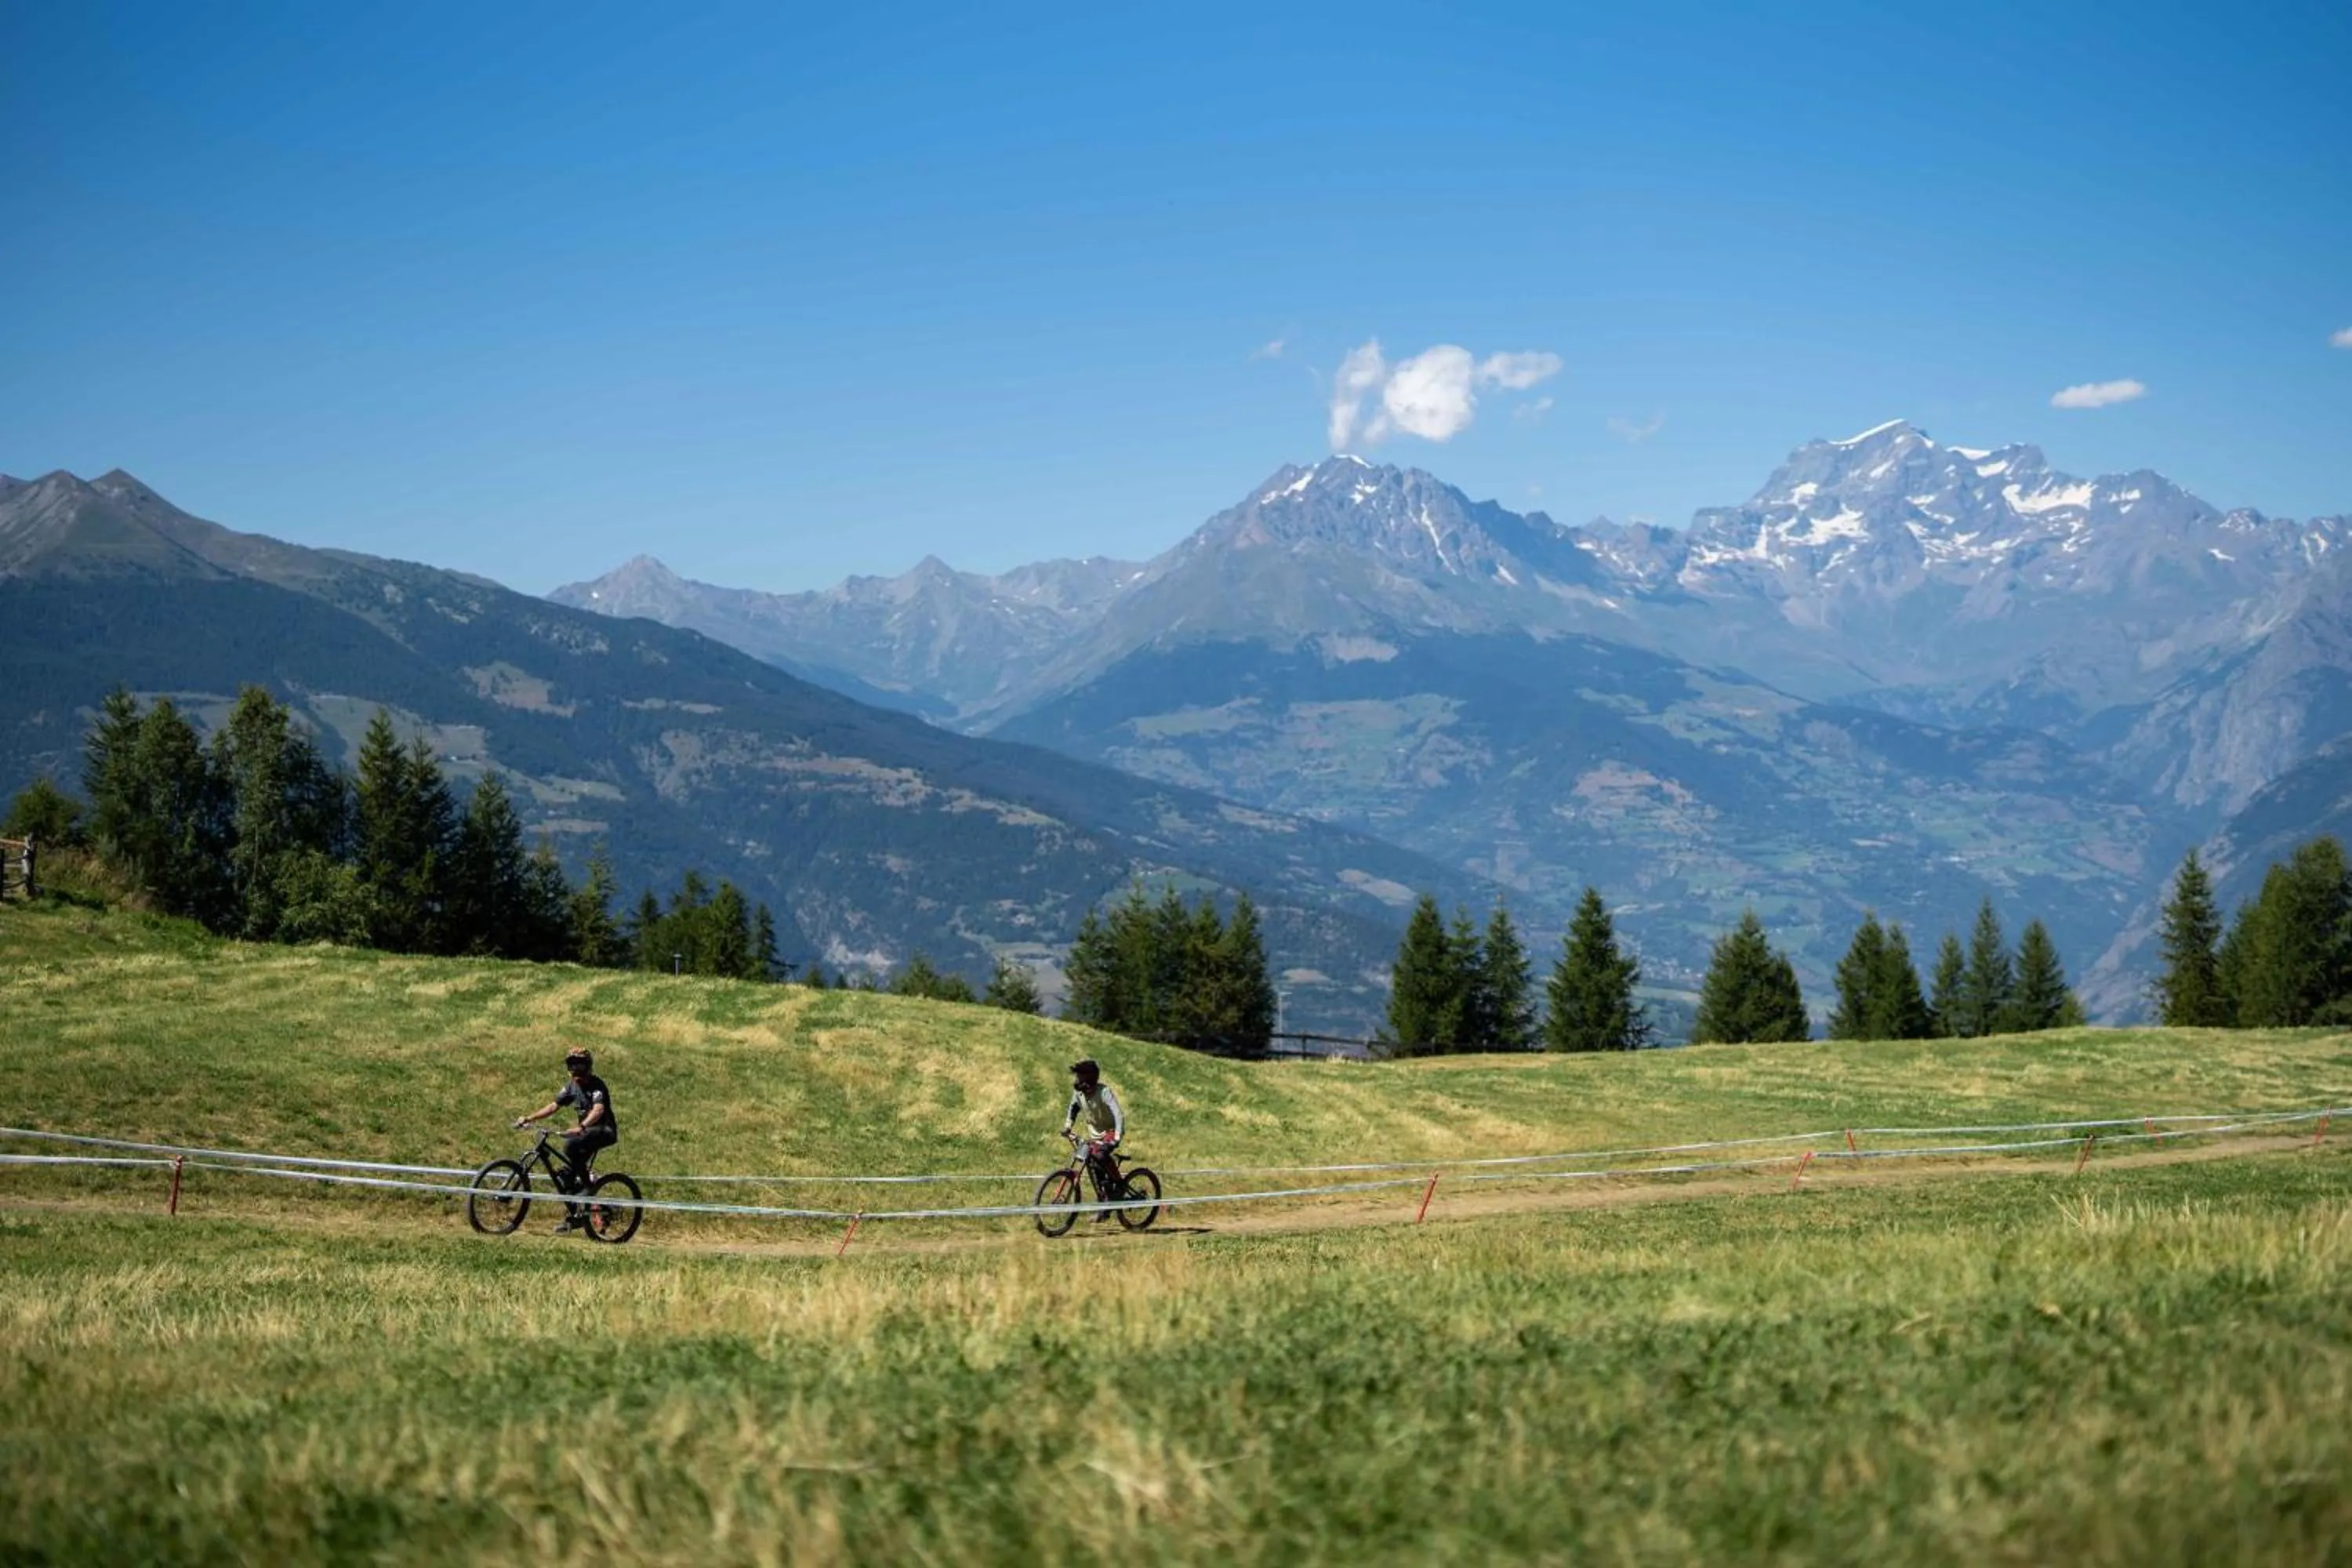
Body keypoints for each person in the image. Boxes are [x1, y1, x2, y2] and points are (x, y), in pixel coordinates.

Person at [514, 1049, 619, 1233]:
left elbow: (598, 1110)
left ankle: (588, 1189)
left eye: (580, 1065)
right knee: (565, 1176)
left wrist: (582, 1127)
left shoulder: (597, 1085)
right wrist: (530, 1118)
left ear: (588, 1066)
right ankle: (577, 1215)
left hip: (604, 1131)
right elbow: (554, 1106)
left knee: (570, 1146)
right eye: (573, 1065)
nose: (576, 1070)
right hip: (586, 1133)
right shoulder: (571, 1086)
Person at [1060, 1058, 1125, 1219]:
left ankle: (1120, 1185)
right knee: (1092, 1164)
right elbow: (1073, 1108)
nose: (1077, 1081)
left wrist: (1116, 1136)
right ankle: (1104, 1203)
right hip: (1095, 1134)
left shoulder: (1104, 1092)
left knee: (1100, 1154)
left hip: (1111, 1131)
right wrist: (1068, 1126)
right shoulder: (1079, 1093)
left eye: (1081, 1077)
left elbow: (1118, 1114)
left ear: (1090, 1079)